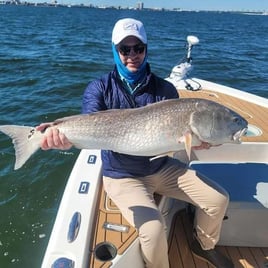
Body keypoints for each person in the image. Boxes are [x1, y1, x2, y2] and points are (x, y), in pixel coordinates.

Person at [37, 18, 234, 268]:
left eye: (138, 48)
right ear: (115, 50)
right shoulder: (99, 88)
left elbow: (178, 138)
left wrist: (196, 143)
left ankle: (203, 245)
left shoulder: (165, 90)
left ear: (146, 49)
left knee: (218, 199)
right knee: (152, 230)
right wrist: (65, 139)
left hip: (161, 168)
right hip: (122, 175)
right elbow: (89, 126)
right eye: (125, 49)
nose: (132, 55)